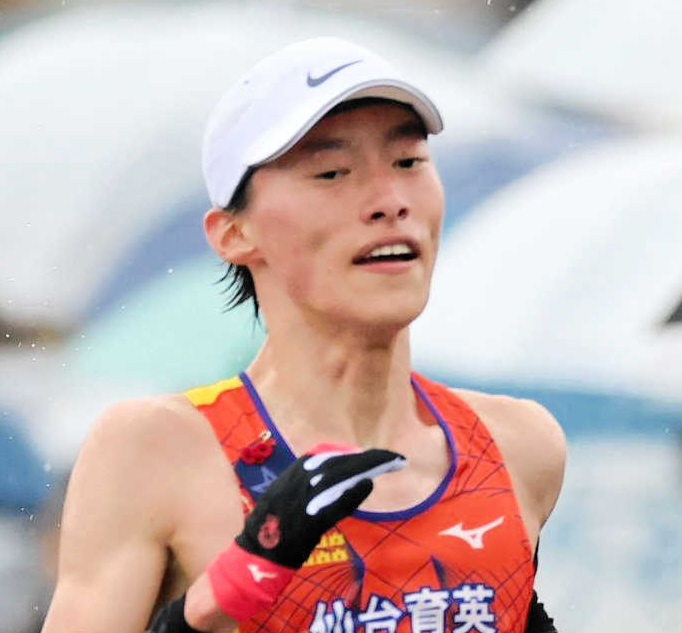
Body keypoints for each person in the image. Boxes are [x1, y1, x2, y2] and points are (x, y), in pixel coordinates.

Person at [41, 37, 565, 633]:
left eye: (408, 162)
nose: (390, 202)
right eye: (332, 173)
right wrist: (217, 600)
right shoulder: (157, 449)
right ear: (233, 234)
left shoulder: (518, 445)